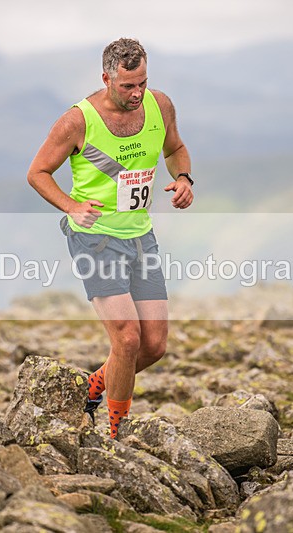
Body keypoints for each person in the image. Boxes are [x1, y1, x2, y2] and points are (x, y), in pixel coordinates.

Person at [27, 38, 193, 439]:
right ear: (106, 78)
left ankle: (90, 387)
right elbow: (37, 173)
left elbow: (176, 148)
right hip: (94, 240)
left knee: (153, 345)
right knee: (127, 337)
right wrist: (70, 206)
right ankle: (116, 436)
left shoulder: (160, 105)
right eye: (127, 87)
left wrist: (184, 178)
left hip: (140, 238)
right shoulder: (76, 122)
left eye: (142, 84)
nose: (137, 94)